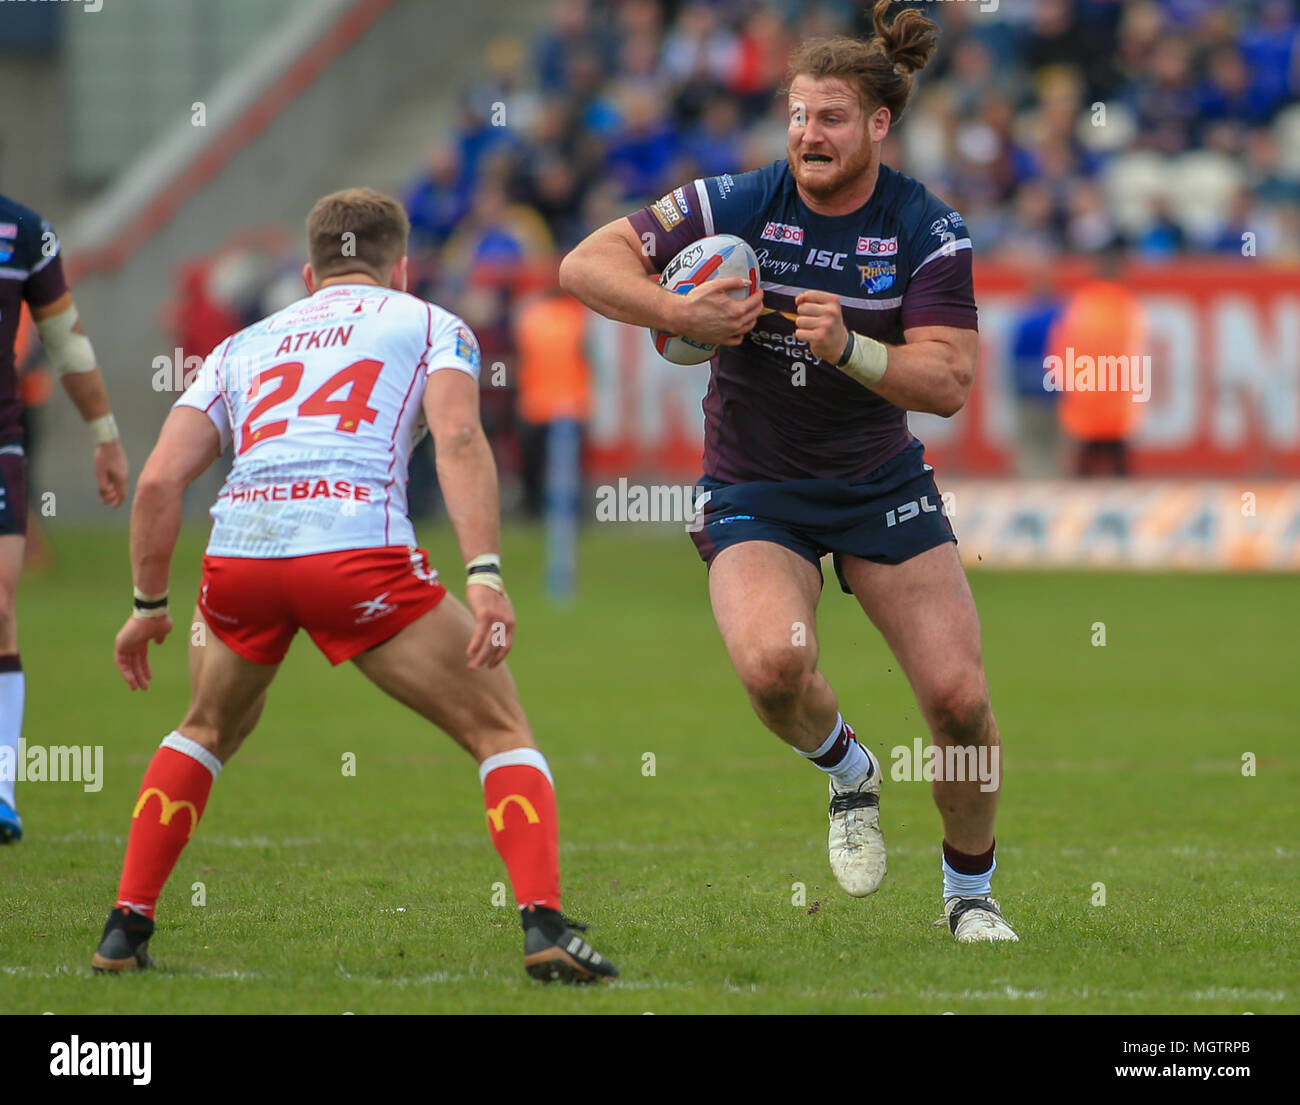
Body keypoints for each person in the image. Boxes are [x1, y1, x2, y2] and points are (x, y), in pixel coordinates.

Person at [560, 1, 1018, 942]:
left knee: (962, 705)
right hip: (756, 486)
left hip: (880, 485)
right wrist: (675, 312)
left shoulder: (929, 228)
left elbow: (949, 380)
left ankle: (970, 896)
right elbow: (583, 263)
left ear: (878, 126)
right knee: (776, 669)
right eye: (800, 115)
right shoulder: (736, 201)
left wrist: (852, 348)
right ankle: (849, 770)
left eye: (832, 118)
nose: (809, 134)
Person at [92, 188, 617, 982]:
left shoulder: (243, 344)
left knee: (205, 728)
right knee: (500, 730)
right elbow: (462, 437)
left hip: (241, 557)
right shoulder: (433, 323)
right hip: (354, 554)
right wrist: (483, 575)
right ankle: (543, 923)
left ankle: (124, 928)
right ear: (400, 267)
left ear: (310, 273)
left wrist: (147, 607)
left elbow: (161, 480)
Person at [0, 193, 129, 843]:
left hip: (0, 441)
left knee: (0, 605)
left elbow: (65, 339)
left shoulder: (22, 232)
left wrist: (105, 433)